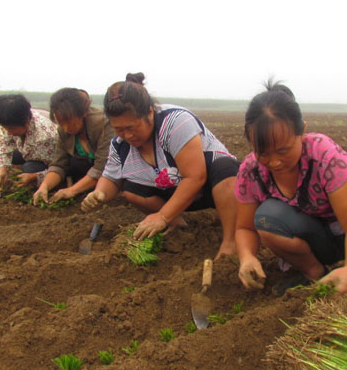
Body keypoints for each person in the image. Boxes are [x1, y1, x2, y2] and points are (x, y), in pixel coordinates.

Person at [234, 80, 347, 311]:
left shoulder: (323, 155)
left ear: (302, 131)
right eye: (263, 153)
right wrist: (246, 256)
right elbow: (244, 228)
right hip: (316, 240)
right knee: (266, 217)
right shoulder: (251, 170)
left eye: (283, 150)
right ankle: (315, 274)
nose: (274, 162)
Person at [81, 72, 240, 259]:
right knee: (132, 189)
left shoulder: (174, 122)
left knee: (225, 167)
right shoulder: (119, 144)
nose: (127, 135)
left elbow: (195, 177)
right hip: (173, 191)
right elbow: (111, 178)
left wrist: (161, 216)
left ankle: (231, 241)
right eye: (119, 129)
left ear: (149, 112)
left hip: (210, 189)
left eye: (132, 127)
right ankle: (177, 223)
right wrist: (99, 193)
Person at [32, 88, 114, 204]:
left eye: (69, 121)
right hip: (86, 175)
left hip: (110, 178)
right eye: (61, 122)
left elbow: (102, 168)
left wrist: (72, 190)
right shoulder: (63, 131)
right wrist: (44, 186)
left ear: (83, 113)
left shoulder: (103, 124)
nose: (65, 128)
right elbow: (59, 164)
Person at [0, 94, 60, 189]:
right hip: (29, 151)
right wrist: (2, 167)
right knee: (11, 157)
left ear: (27, 120)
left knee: (29, 168)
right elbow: (6, 145)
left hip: (47, 157)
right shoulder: (13, 121)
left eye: (12, 128)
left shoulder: (45, 137)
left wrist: (33, 176)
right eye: (6, 128)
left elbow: (59, 167)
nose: (9, 133)